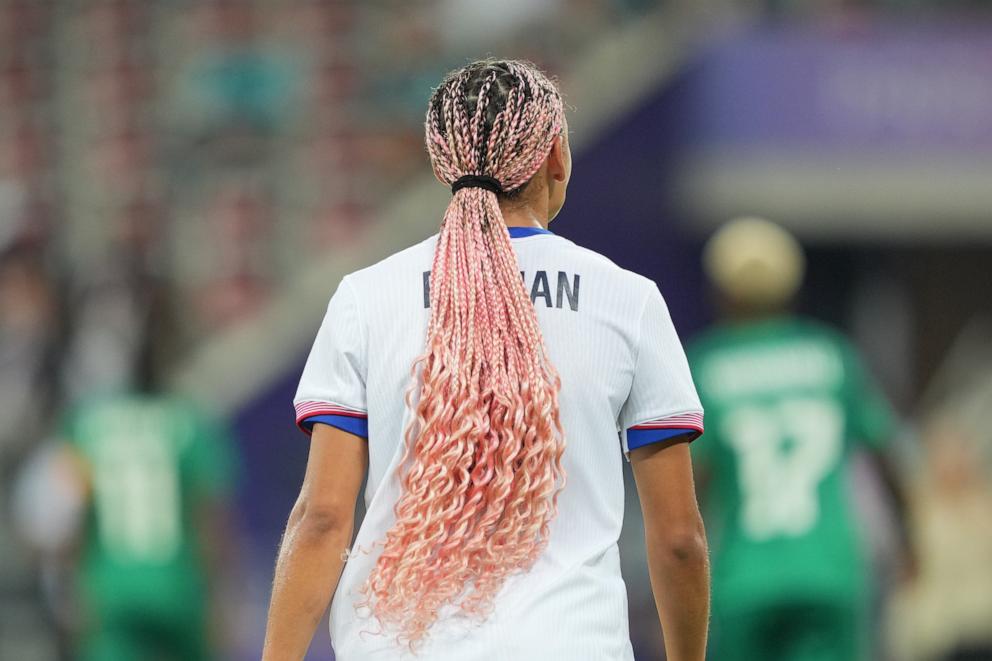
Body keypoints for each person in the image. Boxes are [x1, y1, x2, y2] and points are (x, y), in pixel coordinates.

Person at [262, 59, 709, 661]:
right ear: (556, 154)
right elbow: (679, 540)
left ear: (442, 160)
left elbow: (321, 520)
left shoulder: (366, 298)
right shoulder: (626, 299)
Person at [688, 217, 911, 661]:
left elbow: (694, 482)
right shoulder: (833, 355)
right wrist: (911, 544)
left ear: (722, 290)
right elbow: (889, 458)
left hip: (743, 580)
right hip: (830, 572)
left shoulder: (706, 365)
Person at [60, 285, 239, 661]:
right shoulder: (189, 421)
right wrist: (222, 599)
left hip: (111, 592)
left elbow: (63, 519)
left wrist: (73, 589)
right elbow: (210, 521)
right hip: (178, 589)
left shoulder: (86, 426)